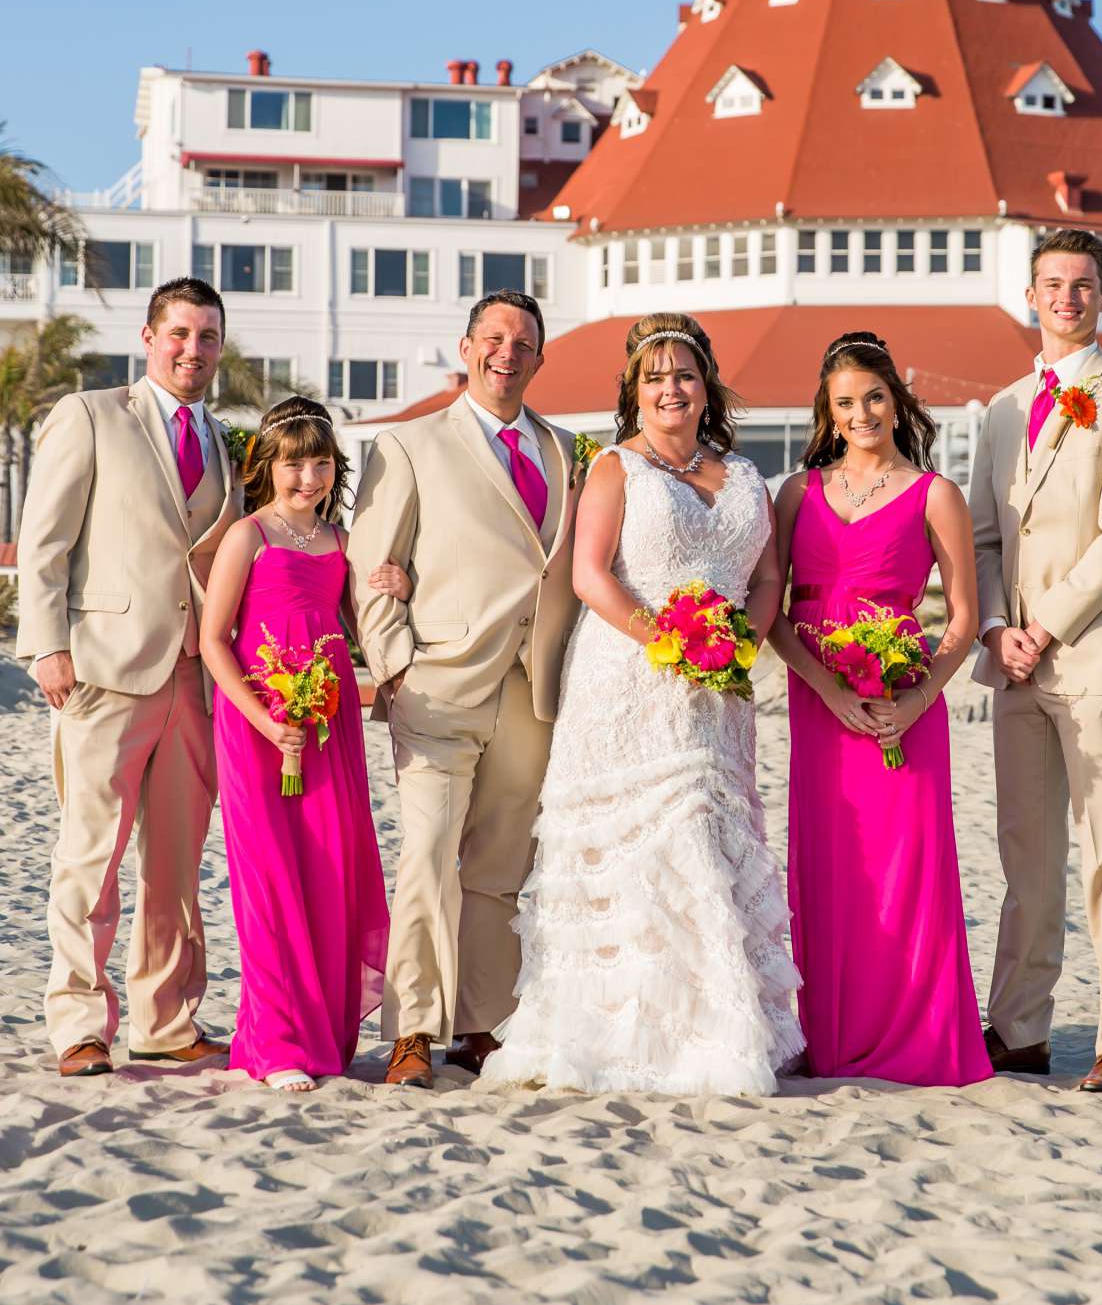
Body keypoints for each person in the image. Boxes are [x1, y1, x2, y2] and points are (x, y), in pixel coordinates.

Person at [482, 312, 802, 1098]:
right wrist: (667, 642)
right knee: (646, 849)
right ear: (633, 389)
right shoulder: (616, 468)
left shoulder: (748, 479)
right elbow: (591, 574)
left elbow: (766, 580)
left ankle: (712, 1031)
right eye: (655, 376)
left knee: (706, 839)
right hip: (626, 678)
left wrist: (738, 645)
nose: (671, 388)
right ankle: (621, 1038)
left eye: (684, 375)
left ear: (707, 388)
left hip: (718, 693)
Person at [351, 291, 581, 1091]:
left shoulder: (564, 451)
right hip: (438, 682)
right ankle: (414, 1025)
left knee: (501, 863)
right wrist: (395, 665)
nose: (506, 354)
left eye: (523, 343)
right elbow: (371, 564)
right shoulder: (408, 444)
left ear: (540, 358)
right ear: (465, 347)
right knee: (426, 855)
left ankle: (479, 1021)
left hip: (532, 688)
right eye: (492, 339)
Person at [16, 278, 240, 1078]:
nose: (194, 349)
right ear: (148, 336)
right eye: (180, 333)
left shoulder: (221, 441)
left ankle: (165, 1016)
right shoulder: (90, 416)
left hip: (193, 679)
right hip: (103, 668)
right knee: (91, 854)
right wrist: (46, 644)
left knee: (178, 864)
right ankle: (79, 1022)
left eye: (209, 336)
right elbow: (44, 542)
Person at [969, 228, 1102, 1096]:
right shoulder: (1002, 408)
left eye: (1082, 284)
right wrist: (991, 630)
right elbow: (979, 536)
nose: (1066, 297)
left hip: (1090, 652)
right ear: (1031, 294)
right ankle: (1018, 1031)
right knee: (1025, 852)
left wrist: (1043, 626)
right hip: (1012, 663)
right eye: (1052, 283)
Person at [771, 331, 991, 1087]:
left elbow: (962, 618)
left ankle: (919, 1038)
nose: (861, 412)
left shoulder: (937, 495)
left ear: (896, 402)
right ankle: (833, 1040)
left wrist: (920, 695)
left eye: (873, 397)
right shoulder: (797, 493)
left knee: (906, 870)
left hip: (903, 708)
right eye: (844, 403)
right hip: (818, 704)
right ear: (826, 416)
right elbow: (774, 617)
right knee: (836, 873)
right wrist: (828, 689)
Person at [200, 399, 399, 1091]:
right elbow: (212, 640)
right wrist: (263, 719)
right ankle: (278, 1041)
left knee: (330, 870)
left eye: (320, 463)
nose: (307, 477)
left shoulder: (342, 543)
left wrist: (397, 583)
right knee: (271, 878)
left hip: (328, 723)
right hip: (259, 723)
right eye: (293, 462)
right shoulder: (246, 537)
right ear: (267, 466)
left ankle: (325, 1033)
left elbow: (361, 623)